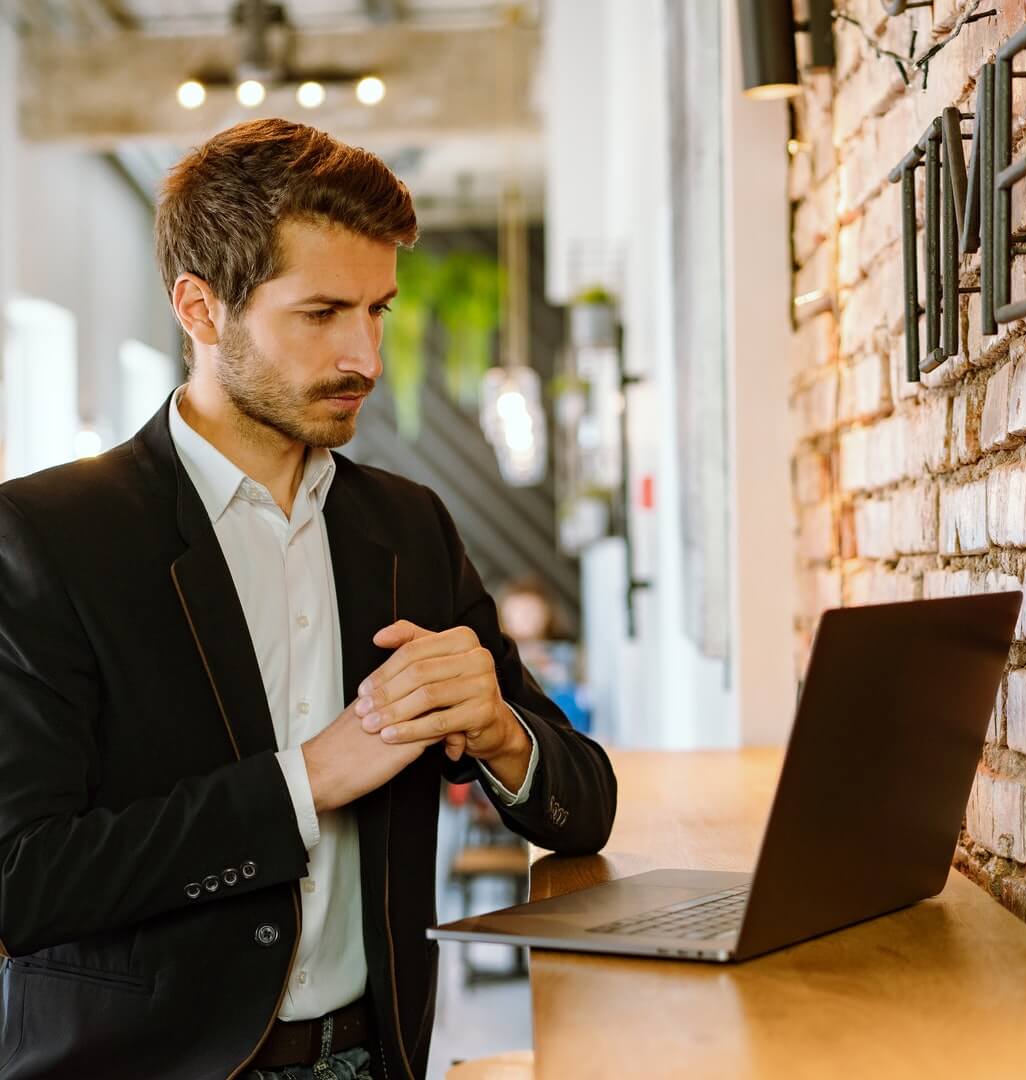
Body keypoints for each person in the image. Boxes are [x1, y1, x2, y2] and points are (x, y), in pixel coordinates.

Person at [0, 118, 617, 1080]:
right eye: (322, 313)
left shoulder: (412, 528)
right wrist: (306, 783)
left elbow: (585, 808)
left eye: (378, 310)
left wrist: (502, 733)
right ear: (200, 309)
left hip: (380, 1058)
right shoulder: (46, 538)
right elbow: (21, 884)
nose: (365, 356)